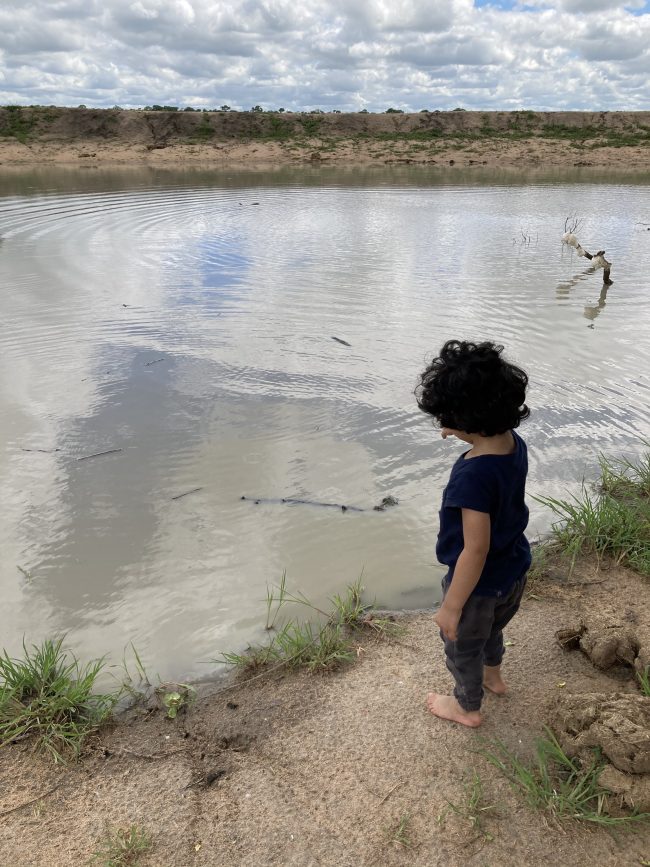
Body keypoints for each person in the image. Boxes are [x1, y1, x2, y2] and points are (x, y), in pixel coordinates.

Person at [415, 340, 531, 728]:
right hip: (512, 569)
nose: (444, 427)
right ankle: (493, 677)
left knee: (463, 646)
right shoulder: (513, 444)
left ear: (465, 419)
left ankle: (466, 707)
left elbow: (475, 549)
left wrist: (452, 606)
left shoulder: (473, 476)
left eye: (447, 418)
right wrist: (463, 426)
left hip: (477, 586)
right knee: (492, 629)